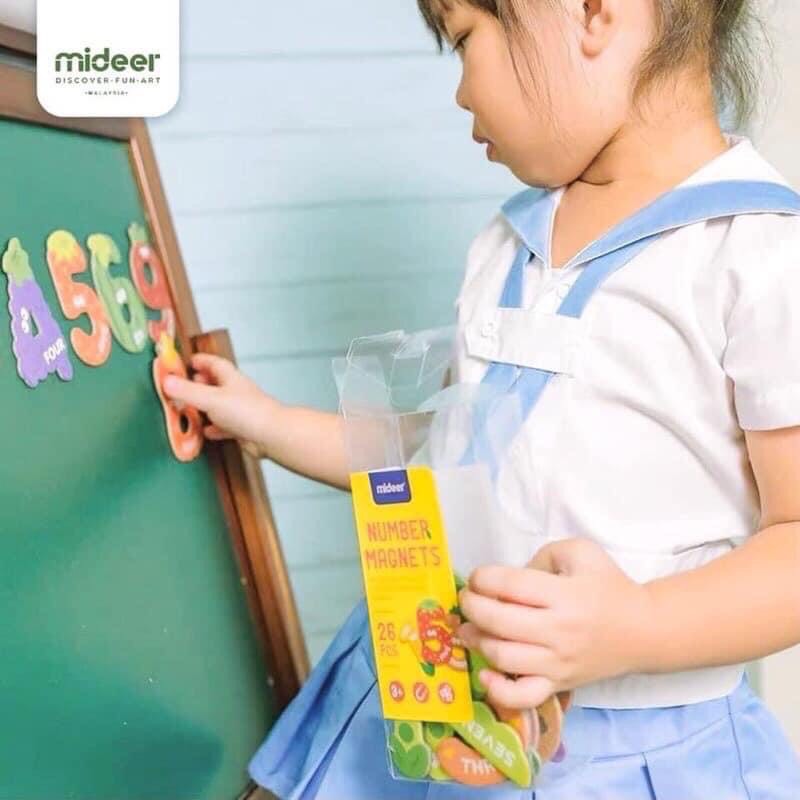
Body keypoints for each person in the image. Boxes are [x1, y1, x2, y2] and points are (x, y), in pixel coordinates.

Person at [163, 0, 800, 796]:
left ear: (592, 12)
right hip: (440, 712)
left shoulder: (759, 255)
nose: (463, 92)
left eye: (464, 41)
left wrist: (634, 625)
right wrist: (268, 424)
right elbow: (438, 461)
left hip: (623, 757)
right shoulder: (507, 244)